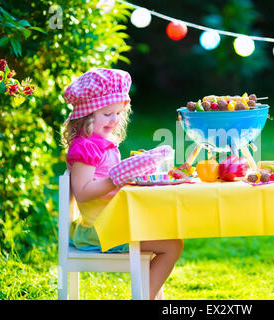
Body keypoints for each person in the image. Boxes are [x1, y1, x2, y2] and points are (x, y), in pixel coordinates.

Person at [61, 68, 183, 299]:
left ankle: (148, 294)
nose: (115, 120)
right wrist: (117, 178)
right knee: (172, 246)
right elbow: (84, 192)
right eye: (108, 114)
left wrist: (134, 169)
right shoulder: (85, 147)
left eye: (118, 113)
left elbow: (109, 180)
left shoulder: (101, 144)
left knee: (168, 232)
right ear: (86, 115)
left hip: (112, 224)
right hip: (100, 231)